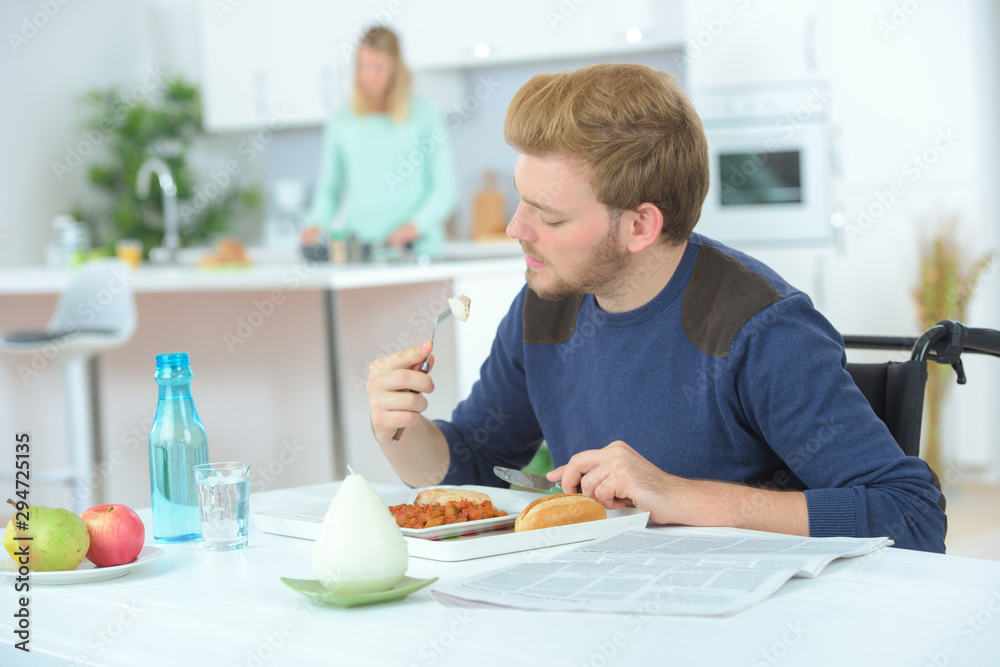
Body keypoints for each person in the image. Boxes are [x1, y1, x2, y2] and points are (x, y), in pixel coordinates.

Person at [366, 63, 947, 553]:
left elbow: (912, 516)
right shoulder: (542, 308)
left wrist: (681, 496)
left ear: (641, 225)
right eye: (522, 201)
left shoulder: (762, 330)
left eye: (551, 215)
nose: (516, 228)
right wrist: (400, 429)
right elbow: (478, 469)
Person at [306, 26, 456, 256]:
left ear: (395, 68)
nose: (369, 75)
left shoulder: (424, 114)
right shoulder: (342, 121)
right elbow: (329, 188)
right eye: (362, 65)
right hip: (362, 251)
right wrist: (316, 223)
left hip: (416, 250)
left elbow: (444, 188)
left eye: (378, 67)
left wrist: (414, 226)